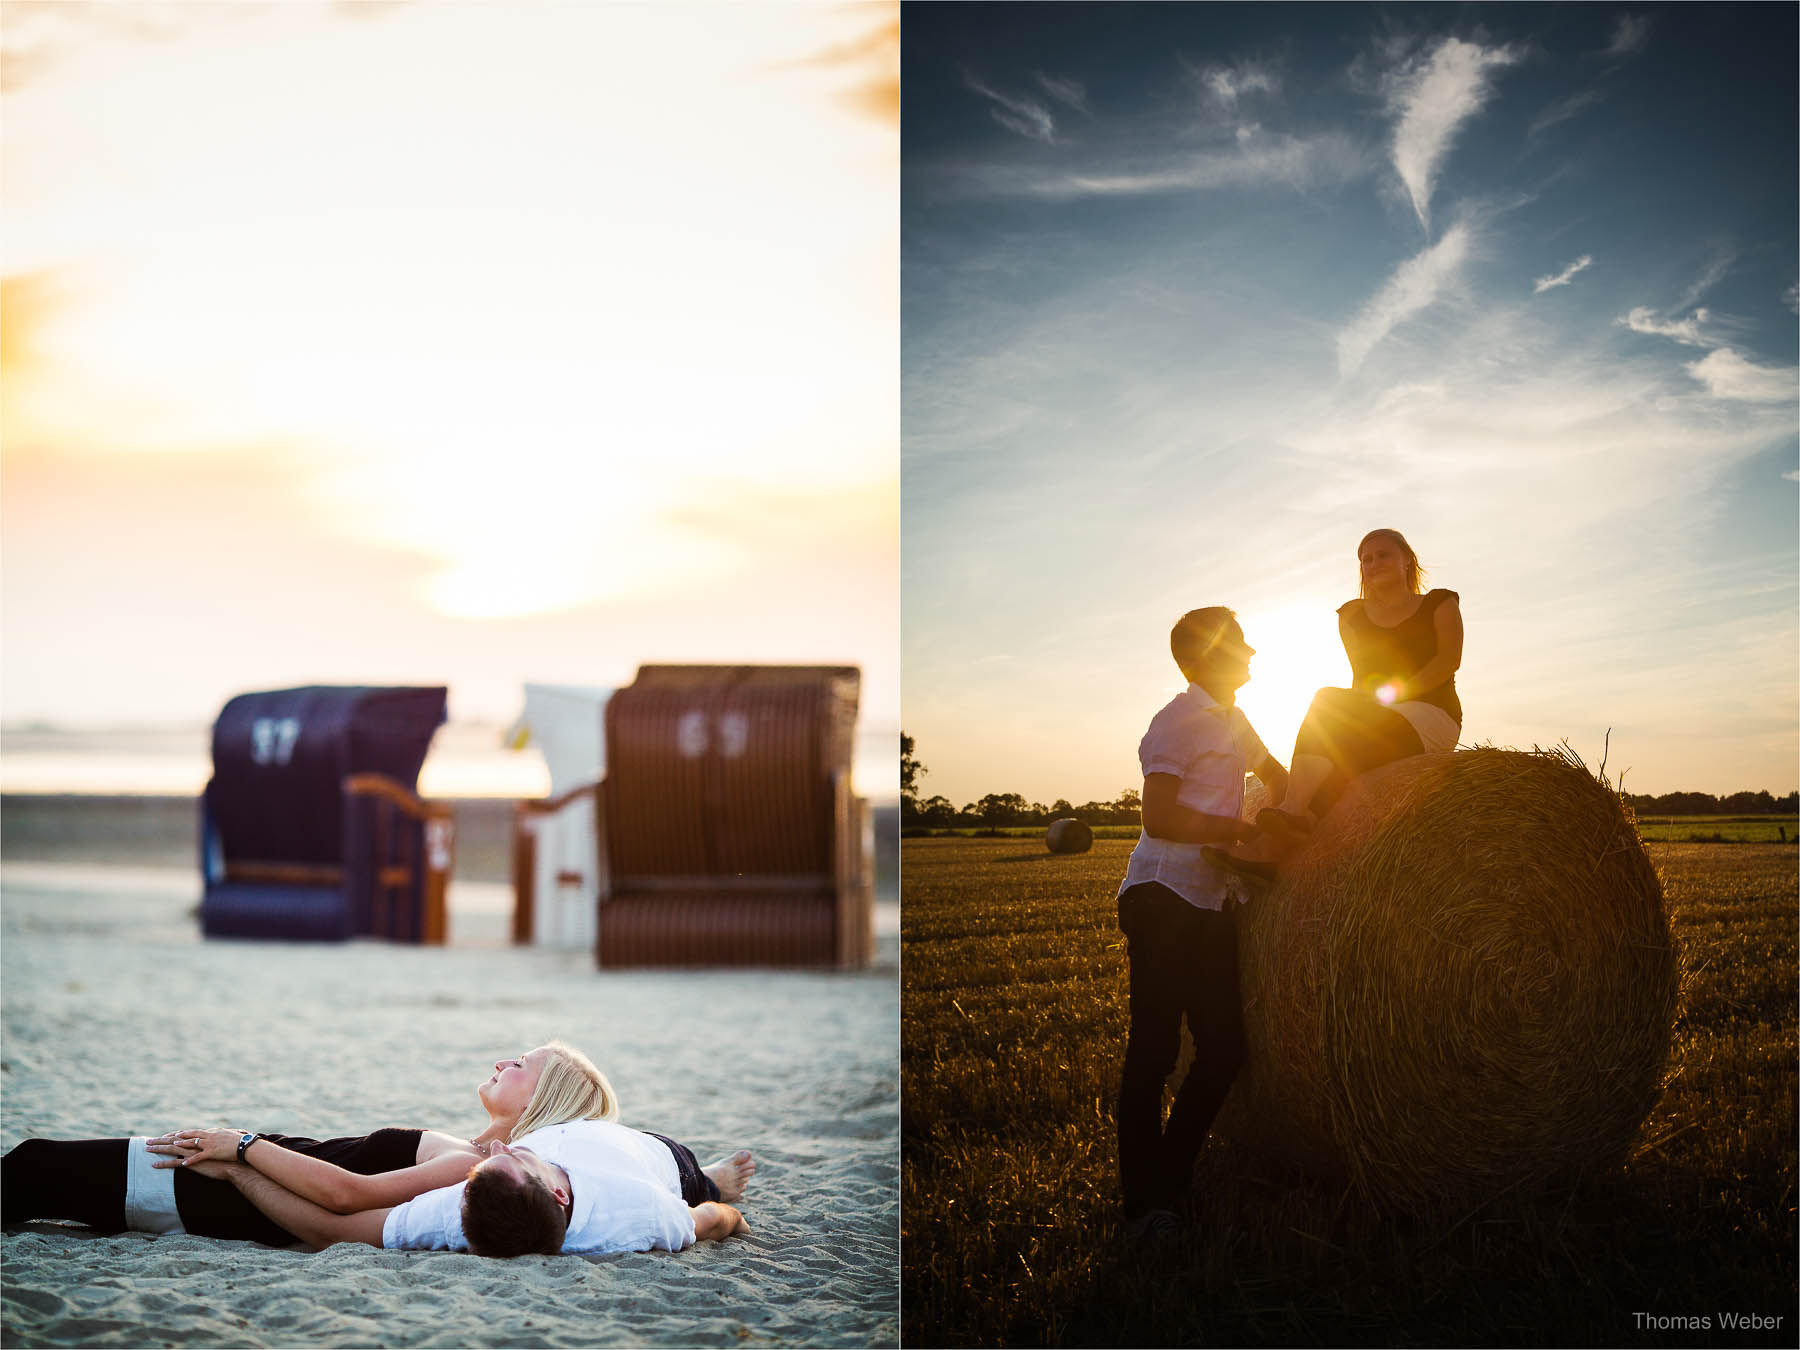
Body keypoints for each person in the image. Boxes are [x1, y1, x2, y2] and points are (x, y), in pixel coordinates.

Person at [1, 1040, 744, 1246]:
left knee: (32, 1167)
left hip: (197, 1188)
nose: (504, 1061)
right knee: (33, 1171)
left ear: (544, 1106)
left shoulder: (473, 1168)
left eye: (522, 1066)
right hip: (224, 1177)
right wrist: (703, 1183)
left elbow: (341, 1198)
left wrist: (240, 1149)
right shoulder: (493, 1165)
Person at [1115, 607, 1287, 1238]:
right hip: (1162, 895)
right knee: (1155, 1054)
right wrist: (1238, 829)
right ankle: (1143, 1206)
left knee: (1224, 1050)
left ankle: (1170, 1177)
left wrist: (1312, 813)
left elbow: (1276, 776)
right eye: (1238, 643)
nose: (1251, 651)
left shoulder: (1235, 721)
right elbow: (1159, 817)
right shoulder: (1176, 723)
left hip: (1211, 901)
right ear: (1205, 658)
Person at [1210, 528, 1462, 876]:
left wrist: (1393, 697)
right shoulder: (1352, 615)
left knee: (1332, 723)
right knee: (1331, 733)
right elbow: (1362, 677)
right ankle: (1285, 830)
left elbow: (1447, 662)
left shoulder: (1439, 603)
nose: (1373, 563)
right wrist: (1363, 709)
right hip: (1376, 715)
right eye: (1365, 559)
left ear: (1407, 559)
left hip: (1430, 716)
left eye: (1383, 554)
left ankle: (1287, 817)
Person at [173, 1121, 752, 1258]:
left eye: (503, 1159)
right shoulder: (643, 1210)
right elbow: (712, 1219)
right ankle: (715, 1170)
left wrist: (237, 1165)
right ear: (557, 1195)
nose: (498, 1152)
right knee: (704, 1179)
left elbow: (330, 1227)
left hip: (576, 1129)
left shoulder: (463, 1213)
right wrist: (731, 1210)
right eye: (513, 1160)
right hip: (665, 1160)